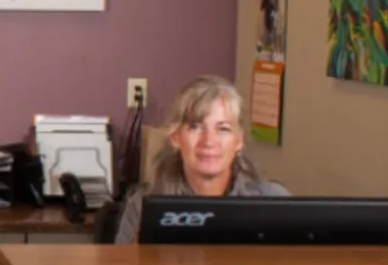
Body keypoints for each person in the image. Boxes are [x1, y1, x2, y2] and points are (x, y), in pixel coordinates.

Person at [113, 74, 288, 244]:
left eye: (223, 129)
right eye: (195, 127)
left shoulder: (274, 201)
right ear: (175, 137)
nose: (209, 141)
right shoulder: (142, 205)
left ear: (239, 141)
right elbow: (123, 264)